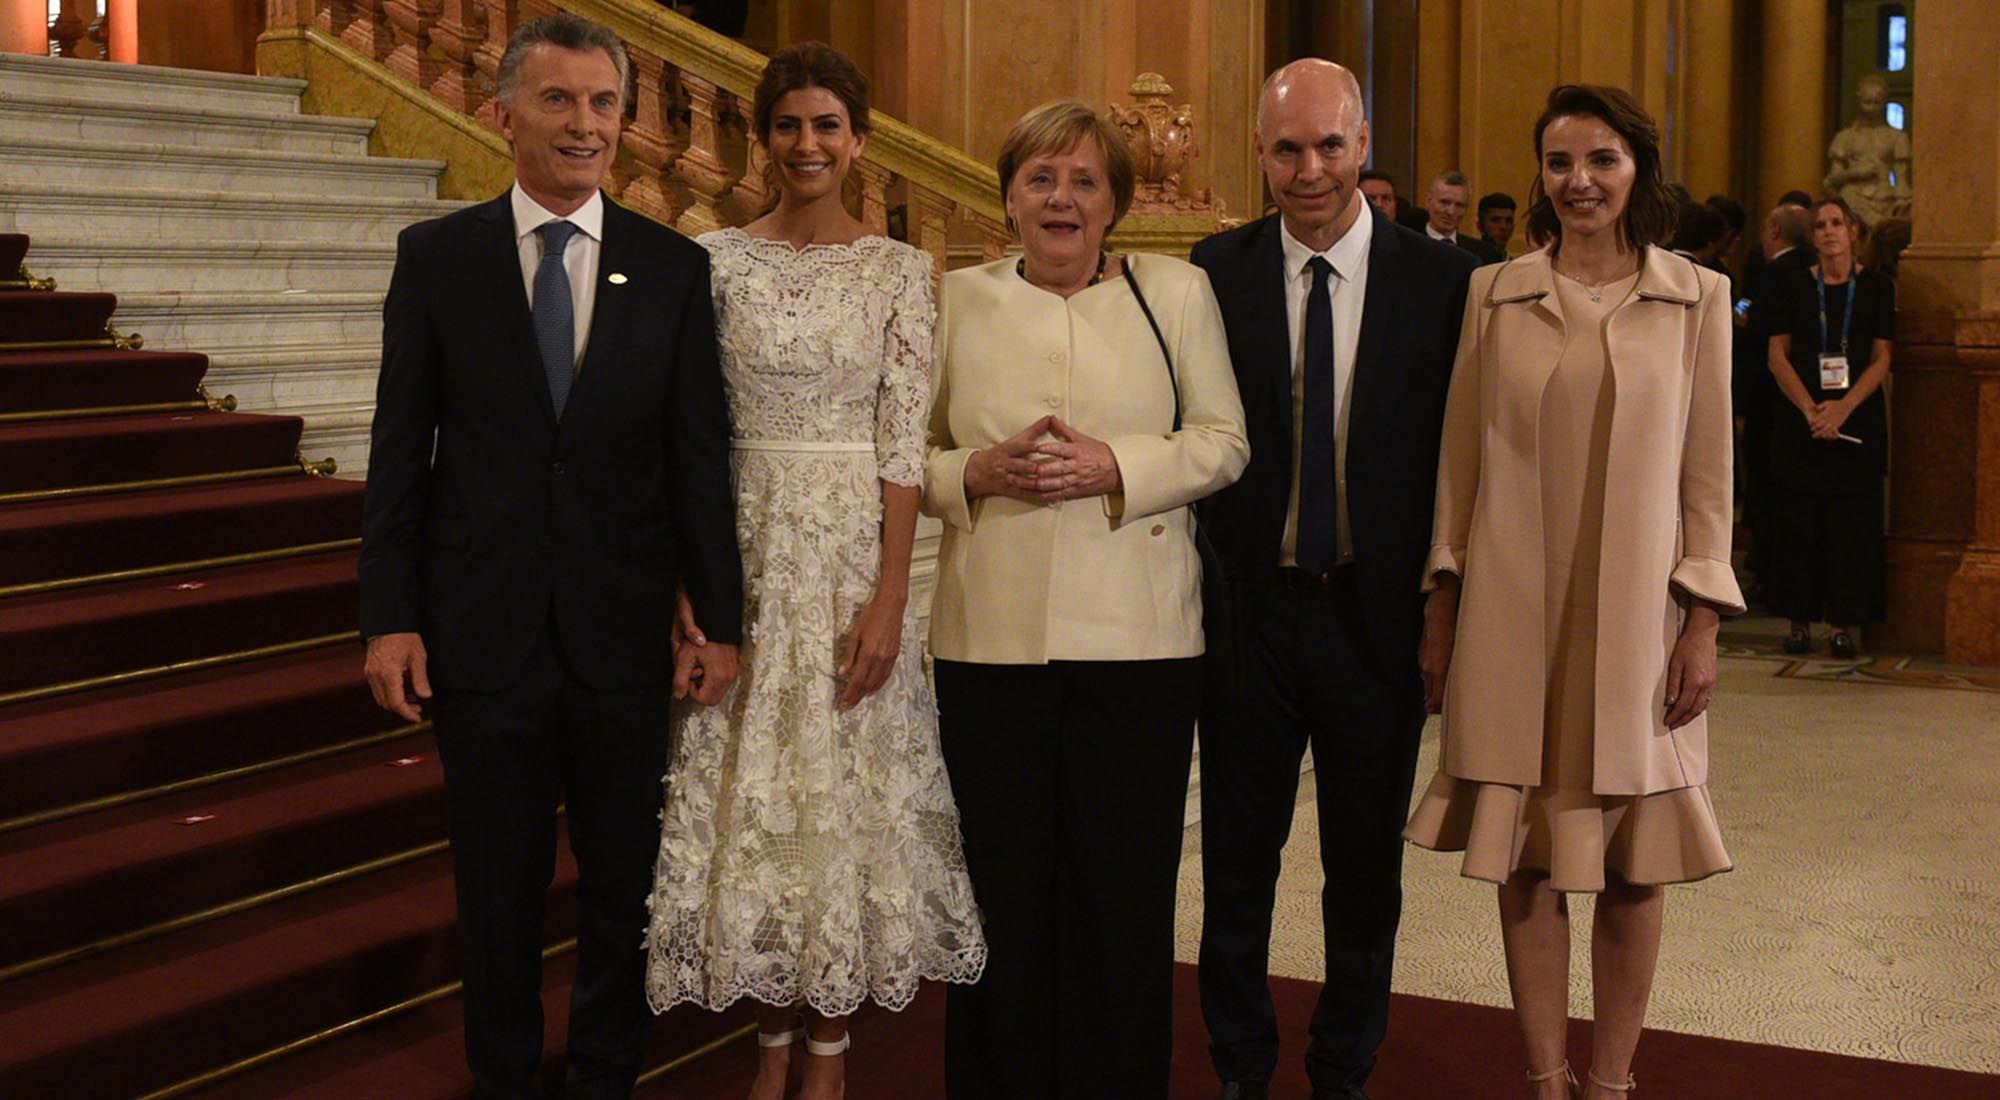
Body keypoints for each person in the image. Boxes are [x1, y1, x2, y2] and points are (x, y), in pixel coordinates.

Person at [358, 13, 744, 1099]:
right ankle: (505, 1077)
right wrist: (387, 614)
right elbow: (400, 450)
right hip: (481, 635)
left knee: (622, 890)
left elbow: (696, 456)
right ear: (503, 114)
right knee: (497, 892)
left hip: (623, 636)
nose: (585, 125)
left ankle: (605, 1076)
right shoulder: (437, 259)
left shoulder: (673, 269)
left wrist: (719, 617)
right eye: (559, 100)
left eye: (604, 103)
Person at [641, 43, 987, 1100]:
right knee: (753, 791)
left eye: (826, 125)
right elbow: (685, 434)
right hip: (738, 541)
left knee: (840, 798)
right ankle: (768, 1045)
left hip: (846, 556)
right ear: (759, 136)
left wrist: (889, 595)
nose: (806, 145)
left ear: (859, 141)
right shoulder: (710, 260)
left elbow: (897, 444)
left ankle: (827, 1051)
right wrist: (689, 587)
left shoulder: (895, 270)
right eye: (787, 124)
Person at [1404, 83, 1743, 1100]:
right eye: (1558, 163)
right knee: (1524, 851)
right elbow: (1455, 467)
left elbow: (1707, 477)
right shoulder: (1492, 292)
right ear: (1540, 177)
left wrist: (1701, 622)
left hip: (1640, 615)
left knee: (1634, 854)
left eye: (1599, 159)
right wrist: (1440, 604)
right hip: (1514, 616)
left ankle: (1609, 1079)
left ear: (1636, 166)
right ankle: (1544, 1075)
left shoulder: (1696, 297)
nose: (1578, 181)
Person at [924, 100, 1249, 1098]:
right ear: (1007, 197)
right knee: (998, 893)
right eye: (1039, 179)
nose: (1060, 199)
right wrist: (976, 468)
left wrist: (1118, 463)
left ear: (1112, 201)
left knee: (1120, 894)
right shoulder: (954, 299)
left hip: (1140, 642)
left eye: (1082, 182)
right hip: (988, 643)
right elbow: (904, 457)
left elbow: (1223, 440)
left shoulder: (1178, 290)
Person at [1191, 59, 1476, 1100]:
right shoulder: (1211, 270)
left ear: (1361, 144)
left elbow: (1464, 463)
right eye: (1283, 149)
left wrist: (1445, 608)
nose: (1306, 169)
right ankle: (1239, 1062)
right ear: (1259, 156)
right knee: (1235, 861)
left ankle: (1342, 1066)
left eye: (1326, 145)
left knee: (1362, 871)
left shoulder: (1444, 283)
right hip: (1248, 614)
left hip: (1374, 616)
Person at [1767, 196, 1893, 659]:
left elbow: (1882, 358)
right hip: (1802, 419)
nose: (1828, 232)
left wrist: (1841, 409)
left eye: (1837, 223)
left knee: (1850, 526)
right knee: (1799, 523)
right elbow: (1777, 353)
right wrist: (1810, 410)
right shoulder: (1795, 286)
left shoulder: (1877, 288)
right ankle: (1798, 621)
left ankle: (1842, 625)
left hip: (1855, 419)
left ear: (1854, 231)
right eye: (1819, 225)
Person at [1737, 202, 1815, 601]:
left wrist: (1741, 314)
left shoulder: (1776, 272)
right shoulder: (1813, 270)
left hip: (1770, 396)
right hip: (1806, 395)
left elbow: (1758, 322)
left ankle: (1770, 571)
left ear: (1772, 232)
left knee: (1767, 483)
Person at [1423, 170, 1503, 264]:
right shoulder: (1408, 246)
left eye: (1459, 205)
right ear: (1428, 201)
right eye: (1444, 202)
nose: (1451, 212)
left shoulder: (1484, 254)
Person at [1477, 191, 1518, 256]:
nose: (1503, 226)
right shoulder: (1471, 262)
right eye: (1496, 220)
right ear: (1480, 226)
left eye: (1509, 221)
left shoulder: (1514, 263)